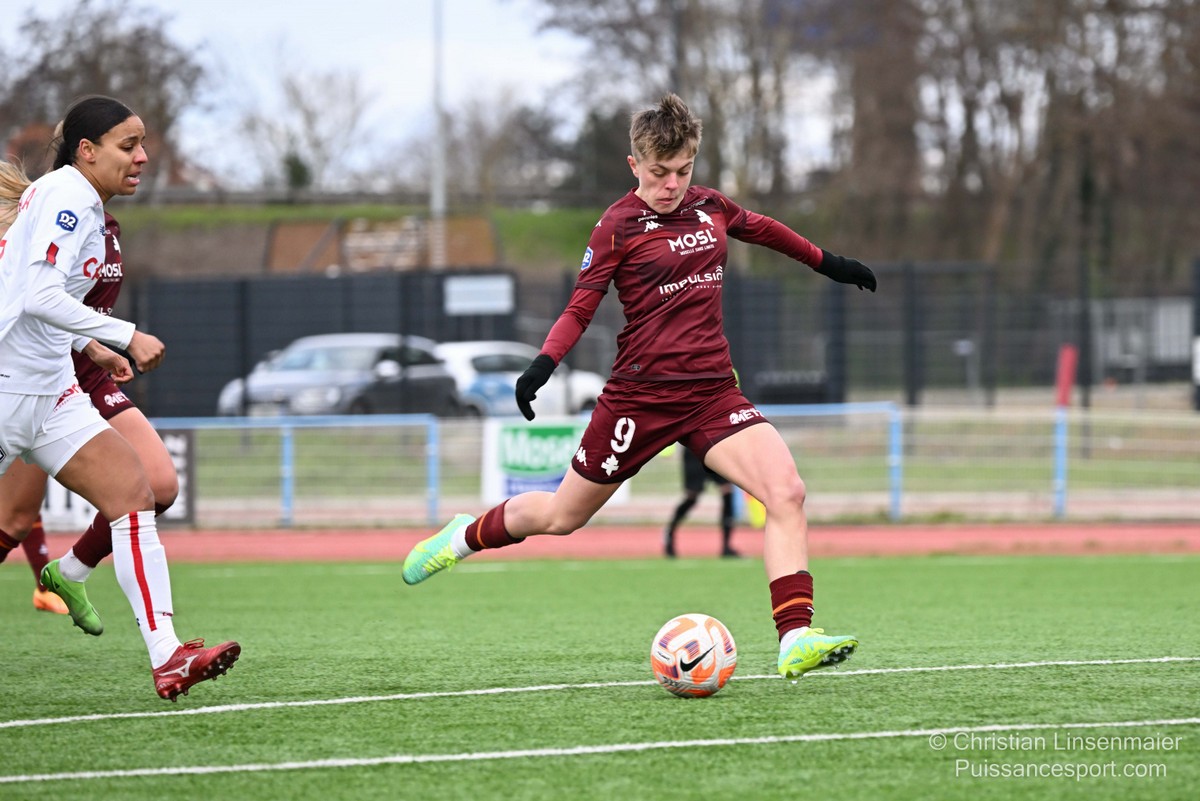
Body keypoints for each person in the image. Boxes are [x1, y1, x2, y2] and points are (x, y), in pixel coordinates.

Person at [402, 94, 876, 682]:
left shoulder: (711, 207)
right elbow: (581, 306)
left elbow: (766, 230)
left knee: (786, 492)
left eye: (683, 170)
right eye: (659, 172)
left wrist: (829, 263)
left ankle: (795, 637)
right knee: (561, 516)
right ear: (634, 164)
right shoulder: (616, 226)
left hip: (711, 394)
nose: (672, 184)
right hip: (639, 399)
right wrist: (543, 363)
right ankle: (463, 537)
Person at [0, 95, 239, 700]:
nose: (142, 157)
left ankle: (168, 656)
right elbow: (38, 296)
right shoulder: (68, 196)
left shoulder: (77, 199)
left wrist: (93, 349)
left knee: (134, 496)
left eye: (142, 144)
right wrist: (124, 335)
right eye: (128, 145)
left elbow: (38, 301)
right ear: (87, 150)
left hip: (51, 393)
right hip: (7, 391)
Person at [662, 447, 738, 559]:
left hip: (717, 450)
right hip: (695, 451)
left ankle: (726, 546)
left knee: (727, 490)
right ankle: (669, 534)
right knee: (692, 497)